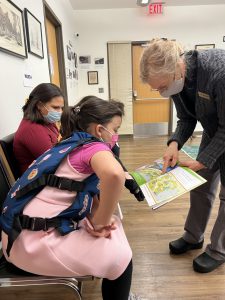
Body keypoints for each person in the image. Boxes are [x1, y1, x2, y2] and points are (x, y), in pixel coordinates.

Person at [2, 96, 140, 300]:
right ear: (99, 130)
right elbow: (114, 175)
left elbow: (83, 188)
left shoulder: (70, 143)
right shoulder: (95, 147)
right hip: (31, 245)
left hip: (18, 235)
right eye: (115, 130)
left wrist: (97, 216)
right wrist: (101, 221)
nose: (116, 137)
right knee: (120, 258)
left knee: (115, 227)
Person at [140, 38, 225, 273]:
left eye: (161, 86)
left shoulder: (219, 72)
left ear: (178, 68)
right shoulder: (176, 82)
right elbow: (187, 118)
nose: (160, 92)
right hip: (214, 131)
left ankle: (218, 250)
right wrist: (174, 144)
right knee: (201, 186)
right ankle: (193, 236)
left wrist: (201, 161)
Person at [13, 83, 64, 175]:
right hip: (36, 181)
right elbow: (52, 161)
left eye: (61, 108)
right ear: (39, 105)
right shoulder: (31, 128)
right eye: (56, 107)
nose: (60, 112)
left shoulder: (47, 121)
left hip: (49, 174)